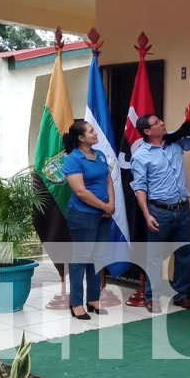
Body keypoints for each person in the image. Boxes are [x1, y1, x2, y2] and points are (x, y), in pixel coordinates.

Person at [131, 110, 190, 313]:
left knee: (185, 253)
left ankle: (181, 294)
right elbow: (140, 188)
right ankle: (152, 297)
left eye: (161, 120)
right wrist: (147, 214)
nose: (163, 123)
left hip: (182, 209)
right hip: (159, 212)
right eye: (157, 122)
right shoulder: (140, 155)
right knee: (155, 257)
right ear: (147, 130)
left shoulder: (174, 141)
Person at [62, 120, 114, 320]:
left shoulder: (99, 155)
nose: (95, 133)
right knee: (81, 258)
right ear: (81, 138)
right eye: (91, 131)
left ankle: (93, 299)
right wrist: (104, 206)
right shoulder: (73, 160)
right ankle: (76, 303)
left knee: (97, 257)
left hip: (103, 214)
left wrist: (111, 205)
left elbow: (108, 180)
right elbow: (80, 191)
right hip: (82, 215)